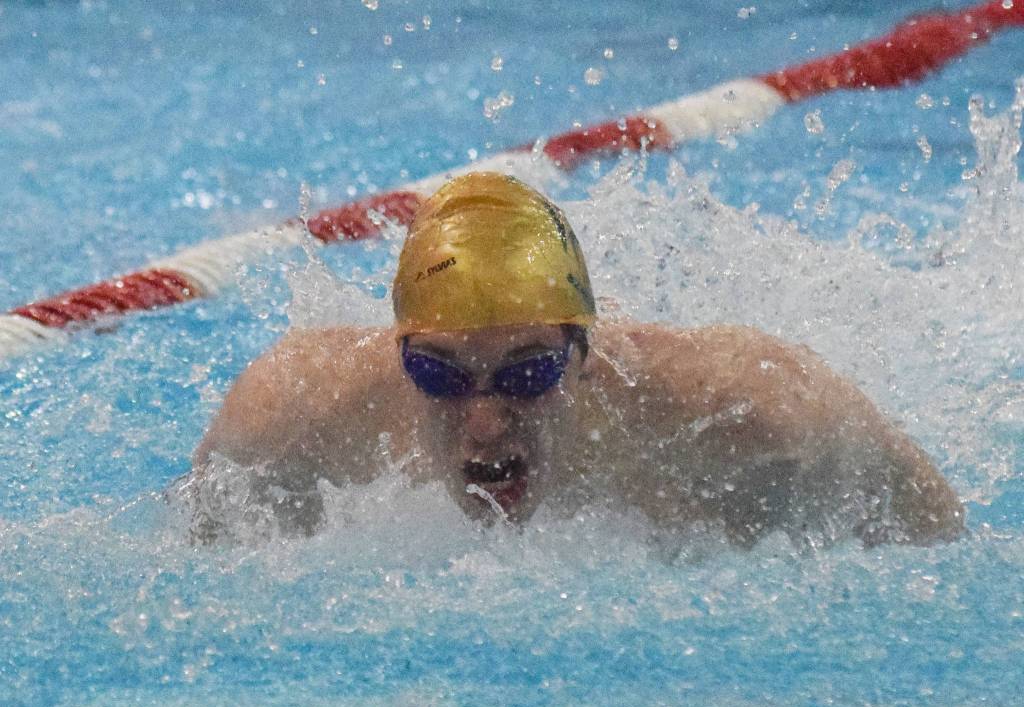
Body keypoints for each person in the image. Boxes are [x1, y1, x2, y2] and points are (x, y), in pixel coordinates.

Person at [183, 171, 963, 547]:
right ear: (399, 359)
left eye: (527, 373)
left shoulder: (749, 418)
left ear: (583, 358)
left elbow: (941, 541)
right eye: (440, 375)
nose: (484, 424)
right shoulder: (289, 418)